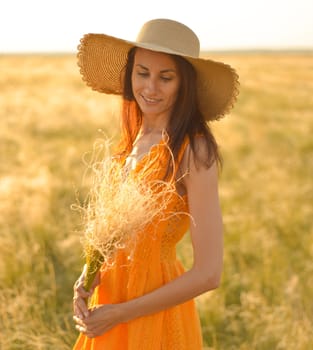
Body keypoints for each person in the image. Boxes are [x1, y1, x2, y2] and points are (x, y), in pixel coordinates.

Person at [72, 18, 239, 349]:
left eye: (166, 77)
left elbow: (209, 273)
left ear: (184, 84)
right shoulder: (133, 142)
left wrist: (122, 313)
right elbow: (119, 236)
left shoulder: (192, 149)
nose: (150, 88)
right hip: (109, 305)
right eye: (142, 72)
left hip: (151, 315)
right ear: (130, 73)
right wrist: (88, 275)